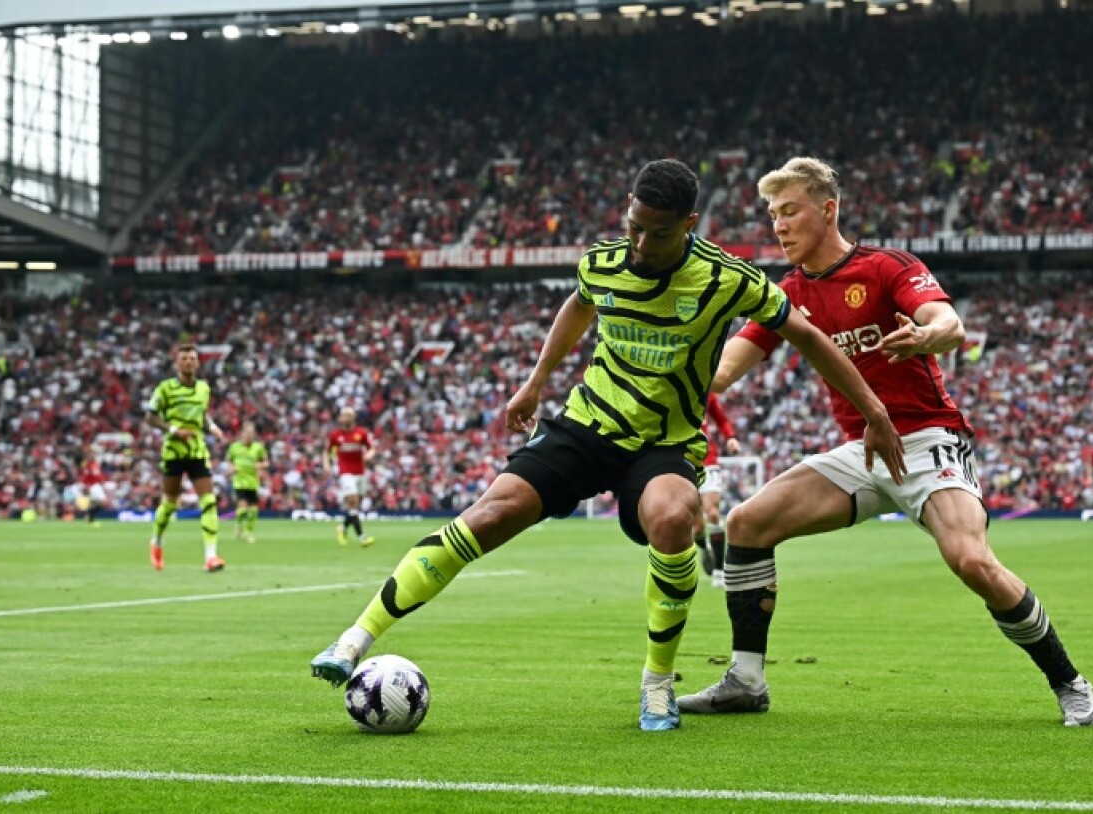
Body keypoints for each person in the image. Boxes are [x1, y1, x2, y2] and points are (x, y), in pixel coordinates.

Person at [311, 158, 905, 732]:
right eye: (635, 226)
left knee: (673, 518)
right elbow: (578, 304)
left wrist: (874, 410)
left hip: (664, 443)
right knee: (489, 514)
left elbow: (806, 335)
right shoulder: (602, 262)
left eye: (659, 233)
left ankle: (657, 682)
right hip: (587, 426)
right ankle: (354, 639)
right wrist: (536, 381)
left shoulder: (728, 279)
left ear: (689, 225)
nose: (642, 243)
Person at [676, 156, 1093, 727]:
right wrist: (672, 354)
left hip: (926, 440)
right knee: (747, 523)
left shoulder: (885, 267)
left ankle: (1069, 681)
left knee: (971, 560)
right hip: (861, 451)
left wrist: (927, 334)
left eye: (790, 211)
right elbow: (725, 371)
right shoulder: (788, 293)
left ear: (828, 210)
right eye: (773, 214)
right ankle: (746, 681)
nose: (778, 225)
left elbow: (949, 325)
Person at [145, 344, 226, 572]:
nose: (189, 362)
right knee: (170, 503)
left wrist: (213, 428)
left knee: (209, 501)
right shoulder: (165, 389)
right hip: (174, 452)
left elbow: (202, 416)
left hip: (197, 451)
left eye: (192, 359)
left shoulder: (203, 388)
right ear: (177, 363)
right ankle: (156, 541)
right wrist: (174, 430)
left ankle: (211, 556)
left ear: (198, 363)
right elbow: (150, 417)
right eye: (184, 359)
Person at [693, 392, 740, 588]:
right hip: (683, 463)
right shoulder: (670, 390)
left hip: (708, 460)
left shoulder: (706, 392)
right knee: (697, 528)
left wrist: (731, 437)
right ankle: (705, 548)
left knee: (712, 513)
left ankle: (719, 571)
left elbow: (721, 418)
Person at [325, 406, 376, 548]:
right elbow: (326, 451)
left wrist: (369, 455)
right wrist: (327, 464)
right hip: (345, 473)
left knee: (355, 506)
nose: (345, 418)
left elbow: (371, 448)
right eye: (343, 415)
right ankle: (362, 537)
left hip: (360, 473)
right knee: (352, 501)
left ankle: (343, 528)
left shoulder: (361, 433)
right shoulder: (335, 435)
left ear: (353, 418)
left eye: (348, 415)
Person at [227, 422, 269, 544]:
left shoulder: (258, 447)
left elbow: (266, 462)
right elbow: (229, 462)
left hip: (253, 482)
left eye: (252, 433)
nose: (250, 435)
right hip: (239, 482)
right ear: (243, 433)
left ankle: (249, 532)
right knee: (242, 509)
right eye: (248, 433)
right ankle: (240, 527)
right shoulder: (234, 447)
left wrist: (260, 465)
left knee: (253, 511)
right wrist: (232, 468)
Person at [78, 452, 106, 528]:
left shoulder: (93, 465)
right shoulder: (90, 466)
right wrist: (87, 486)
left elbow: (97, 476)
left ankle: (89, 518)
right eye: (90, 456)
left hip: (96, 486)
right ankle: (88, 517)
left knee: (94, 503)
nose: (92, 456)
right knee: (102, 502)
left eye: (93, 455)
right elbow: (88, 477)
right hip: (94, 486)